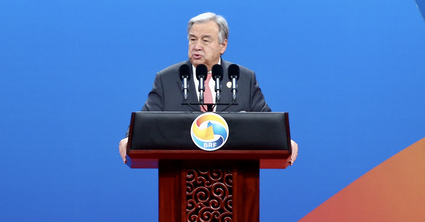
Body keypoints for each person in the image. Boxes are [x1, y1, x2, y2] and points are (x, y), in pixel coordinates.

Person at [118, 12, 298, 164]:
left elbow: (266, 123)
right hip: (181, 172)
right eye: (192, 39)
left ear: (223, 45)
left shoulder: (243, 78)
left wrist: (285, 140)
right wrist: (129, 139)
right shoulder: (168, 79)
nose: (197, 46)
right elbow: (144, 124)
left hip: (233, 173)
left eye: (205, 40)